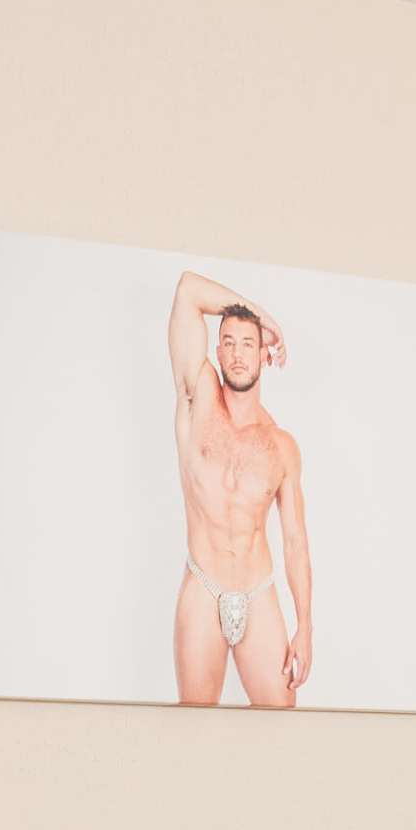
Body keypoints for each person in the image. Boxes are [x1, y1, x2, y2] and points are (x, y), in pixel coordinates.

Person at [166, 269, 313, 707]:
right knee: (194, 723)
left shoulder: (280, 445)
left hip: (257, 591)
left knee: (281, 721)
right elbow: (188, 291)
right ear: (217, 350)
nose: (237, 353)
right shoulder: (199, 397)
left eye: (248, 343)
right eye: (228, 342)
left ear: (263, 356)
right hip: (202, 587)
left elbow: (295, 542)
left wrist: (304, 626)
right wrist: (260, 316)